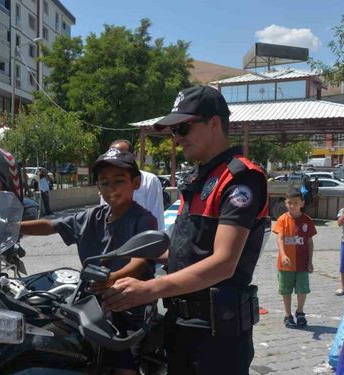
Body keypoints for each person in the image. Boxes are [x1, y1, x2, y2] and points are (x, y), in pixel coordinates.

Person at [100, 85, 269, 374]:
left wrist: (149, 288)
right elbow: (185, 249)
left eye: (184, 128)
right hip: (182, 324)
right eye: (173, 131)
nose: (177, 139)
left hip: (217, 335)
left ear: (214, 123)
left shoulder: (239, 179)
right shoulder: (200, 177)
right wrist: (127, 264)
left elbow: (223, 263)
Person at [20, 148, 157, 375]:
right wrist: (13, 227)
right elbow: (51, 226)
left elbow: (140, 260)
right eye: (104, 182)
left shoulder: (143, 219)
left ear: (135, 183)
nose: (111, 188)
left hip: (128, 302)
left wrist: (112, 279)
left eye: (119, 181)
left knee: (123, 368)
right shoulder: (92, 216)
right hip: (91, 300)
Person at [273, 188, 316, 328]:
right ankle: (288, 315)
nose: (292, 205)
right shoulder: (282, 220)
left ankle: (300, 312)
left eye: (296, 203)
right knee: (286, 290)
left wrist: (310, 261)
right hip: (286, 264)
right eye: (289, 203)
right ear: (286, 203)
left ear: (302, 203)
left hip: (302, 263)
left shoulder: (307, 220)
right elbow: (280, 239)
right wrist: (283, 255)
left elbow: (310, 242)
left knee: (302, 289)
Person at [100, 139, 164, 230]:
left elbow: (156, 215)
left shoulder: (150, 180)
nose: (116, 160)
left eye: (122, 155)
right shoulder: (106, 183)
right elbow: (104, 214)